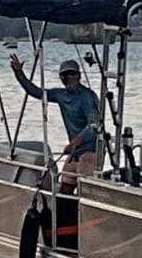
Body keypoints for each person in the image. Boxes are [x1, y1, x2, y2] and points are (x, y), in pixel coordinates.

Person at [10, 53, 100, 191]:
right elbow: (35, 92)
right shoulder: (60, 95)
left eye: (71, 74)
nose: (67, 78)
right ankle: (64, 211)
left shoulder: (87, 97)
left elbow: (94, 124)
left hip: (91, 150)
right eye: (64, 75)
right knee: (65, 187)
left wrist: (76, 141)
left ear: (78, 75)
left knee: (86, 190)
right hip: (74, 151)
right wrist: (19, 73)